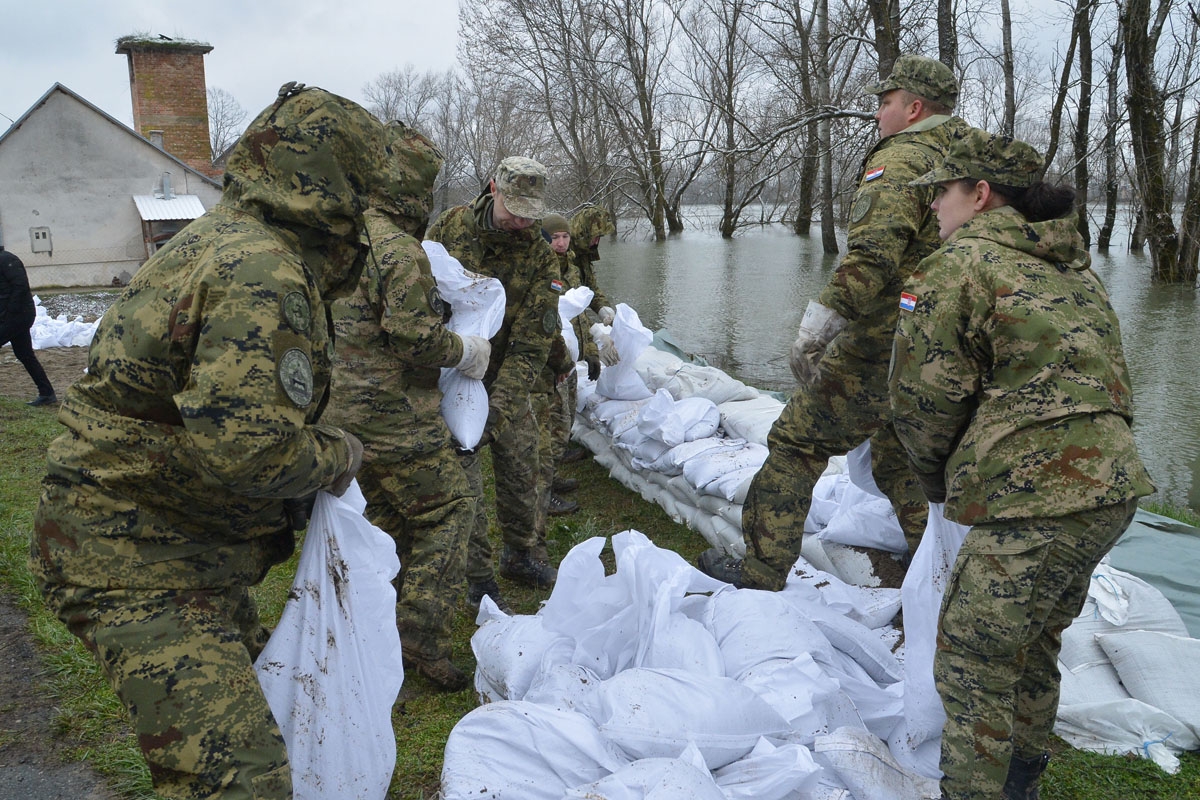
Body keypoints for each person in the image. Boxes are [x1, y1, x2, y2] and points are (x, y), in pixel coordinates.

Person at [29, 83, 388, 800]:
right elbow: (252, 450)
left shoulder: (227, 237)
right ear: (336, 183)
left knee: (270, 724)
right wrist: (341, 454)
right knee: (238, 781)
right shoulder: (262, 269)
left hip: (177, 545)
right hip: (127, 556)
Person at [890, 128, 1155, 800]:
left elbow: (922, 403)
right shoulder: (1071, 266)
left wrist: (935, 486)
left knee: (973, 664)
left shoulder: (955, 267)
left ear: (980, 195)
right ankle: (1021, 783)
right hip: (1113, 489)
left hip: (1032, 499)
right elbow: (1113, 380)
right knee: (1032, 644)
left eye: (942, 194)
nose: (934, 210)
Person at [696, 54, 968, 590]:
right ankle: (943, 582)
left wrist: (822, 324)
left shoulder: (904, 159)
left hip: (883, 342)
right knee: (901, 458)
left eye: (885, 103)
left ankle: (760, 570)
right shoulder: (969, 157)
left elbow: (873, 254)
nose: (878, 115)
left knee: (797, 440)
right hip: (944, 344)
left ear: (914, 108)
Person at [323, 121, 485, 691]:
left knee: (388, 518)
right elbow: (413, 337)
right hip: (392, 413)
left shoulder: (340, 236)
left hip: (337, 410)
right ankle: (418, 635)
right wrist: (466, 349)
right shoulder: (398, 251)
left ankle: (370, 625)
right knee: (449, 509)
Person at [426, 156, 567, 611]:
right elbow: (421, 296)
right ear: (493, 188)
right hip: (452, 372)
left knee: (524, 471)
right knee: (464, 486)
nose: (521, 221)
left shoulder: (540, 253)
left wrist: (498, 410)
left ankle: (522, 553)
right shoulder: (450, 229)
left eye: (531, 212)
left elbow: (532, 344)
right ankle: (477, 580)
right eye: (514, 209)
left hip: (507, 375)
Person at [0, 246, 56, 405]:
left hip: (18, 315)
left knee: (25, 354)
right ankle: (47, 393)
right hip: (12, 315)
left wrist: (10, 311)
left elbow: (20, 286)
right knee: (24, 354)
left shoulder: (7, 259)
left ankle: (47, 394)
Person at [570, 204, 617, 324]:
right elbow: (568, 304)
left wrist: (603, 308)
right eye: (594, 237)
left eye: (599, 237)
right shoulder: (565, 255)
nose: (597, 241)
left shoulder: (583, 254)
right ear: (583, 234)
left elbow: (590, 289)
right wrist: (592, 329)